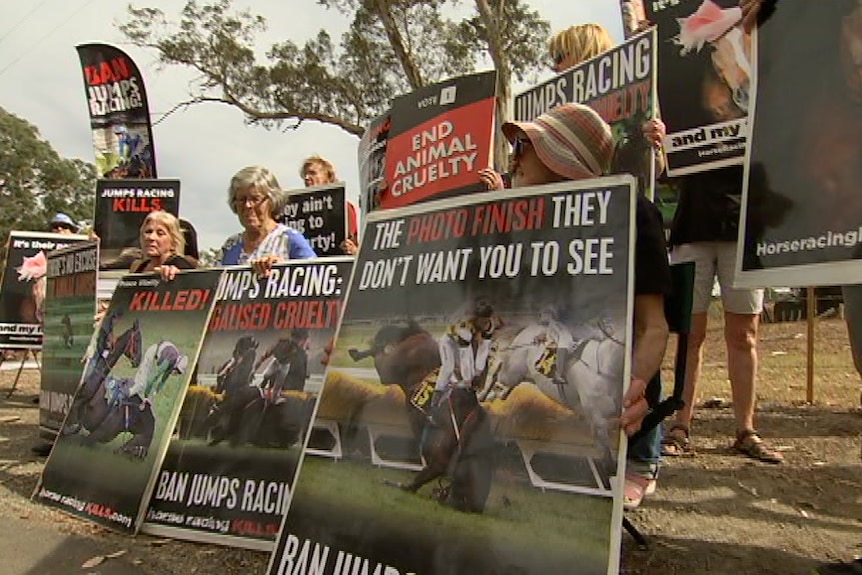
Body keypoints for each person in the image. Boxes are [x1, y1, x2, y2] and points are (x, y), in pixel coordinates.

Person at [492, 102, 671, 510]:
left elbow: (652, 326)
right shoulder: (515, 223)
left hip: (604, 351)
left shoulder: (632, 213)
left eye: (524, 145)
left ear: (563, 159)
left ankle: (638, 461)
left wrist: (637, 388)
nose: (513, 158)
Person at [220, 166, 317, 275]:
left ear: (271, 201)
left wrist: (284, 268)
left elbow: (318, 278)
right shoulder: (231, 245)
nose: (248, 205)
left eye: (255, 199)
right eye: (242, 199)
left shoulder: (289, 239)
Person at [431, 299, 500, 409]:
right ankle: (435, 400)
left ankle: (471, 395)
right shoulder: (465, 328)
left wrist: (478, 373)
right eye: (482, 322)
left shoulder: (489, 325)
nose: (484, 325)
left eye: (486, 321)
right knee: (448, 368)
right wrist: (468, 380)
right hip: (449, 342)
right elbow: (465, 356)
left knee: (472, 373)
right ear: (476, 319)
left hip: (463, 344)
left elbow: (483, 349)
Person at [300, 154, 360, 255]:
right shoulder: (300, 211)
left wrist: (352, 249)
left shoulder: (343, 207)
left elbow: (353, 242)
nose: (307, 178)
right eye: (305, 175)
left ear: (328, 176)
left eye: (312, 173)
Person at [130, 210, 197, 280]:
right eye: (148, 232)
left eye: (160, 234)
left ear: (173, 242)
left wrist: (178, 276)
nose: (151, 237)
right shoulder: (139, 267)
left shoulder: (180, 265)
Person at [126, 341, 189, 410]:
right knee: (142, 383)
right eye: (177, 371)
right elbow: (152, 379)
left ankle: (132, 394)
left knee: (141, 381)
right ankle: (126, 395)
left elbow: (163, 380)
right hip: (152, 352)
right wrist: (146, 396)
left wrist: (154, 393)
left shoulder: (172, 363)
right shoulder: (169, 361)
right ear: (176, 365)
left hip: (157, 353)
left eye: (179, 373)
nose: (176, 374)